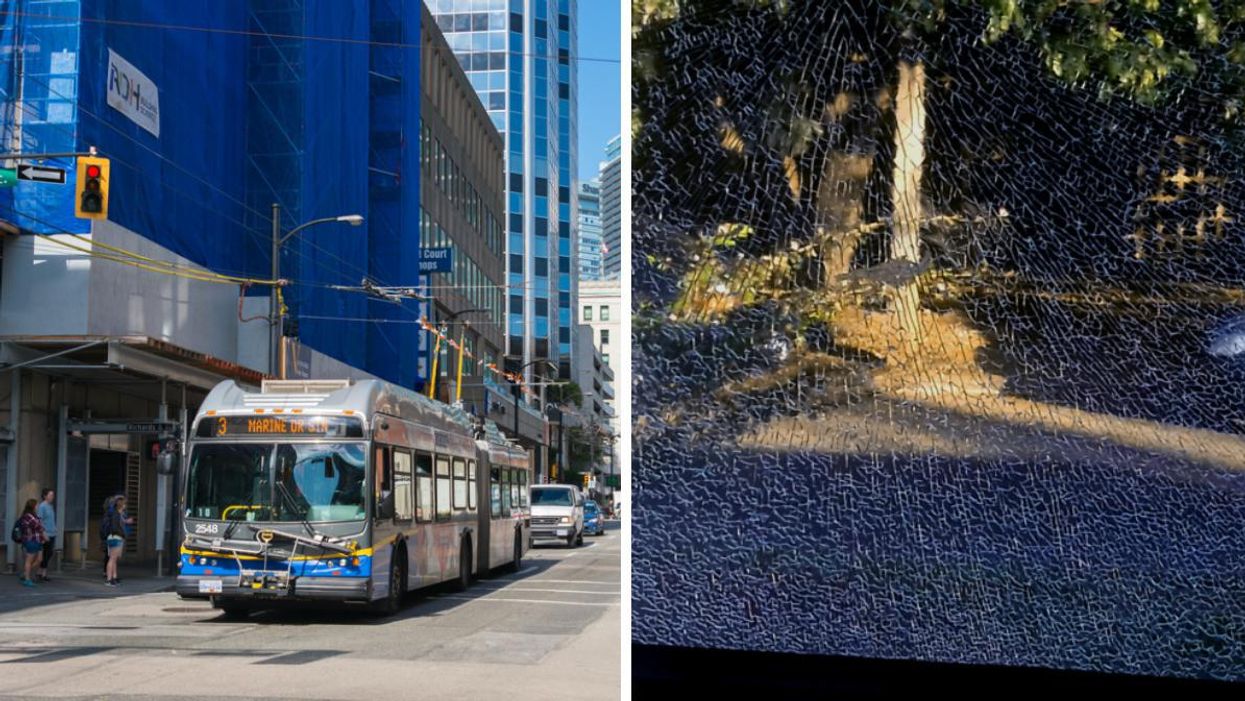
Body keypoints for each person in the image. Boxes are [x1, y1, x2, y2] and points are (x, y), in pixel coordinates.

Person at [102, 494, 134, 587]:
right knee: (112, 559)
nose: (125, 506)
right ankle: (109, 579)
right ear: (121, 505)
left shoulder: (118, 514)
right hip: (116, 538)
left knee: (113, 559)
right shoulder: (117, 515)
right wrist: (122, 534)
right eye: (124, 504)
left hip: (113, 538)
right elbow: (115, 527)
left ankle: (113, 578)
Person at [16, 499, 46, 587]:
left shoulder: (34, 515)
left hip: (38, 540)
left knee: (39, 559)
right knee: (29, 560)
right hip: (31, 540)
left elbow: (39, 526)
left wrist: (42, 536)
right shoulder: (28, 516)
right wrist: (44, 533)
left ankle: (25, 573)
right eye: (36, 505)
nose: (37, 506)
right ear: (33, 506)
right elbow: (38, 526)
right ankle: (27, 579)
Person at [36, 488, 56, 582]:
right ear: (45, 496)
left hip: (52, 533)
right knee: (45, 554)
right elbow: (39, 521)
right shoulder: (42, 506)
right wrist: (43, 533)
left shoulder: (50, 506)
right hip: (45, 533)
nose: (52, 497)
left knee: (49, 553)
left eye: (53, 495)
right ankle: (40, 573)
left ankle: (42, 573)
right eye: (50, 495)